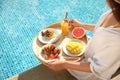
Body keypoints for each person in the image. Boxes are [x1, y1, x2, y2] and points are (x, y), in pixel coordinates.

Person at [47, 0, 120, 80]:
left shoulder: (117, 39)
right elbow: (101, 28)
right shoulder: (115, 12)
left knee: (57, 55)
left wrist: (64, 64)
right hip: (91, 50)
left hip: (91, 74)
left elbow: (96, 68)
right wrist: (81, 25)